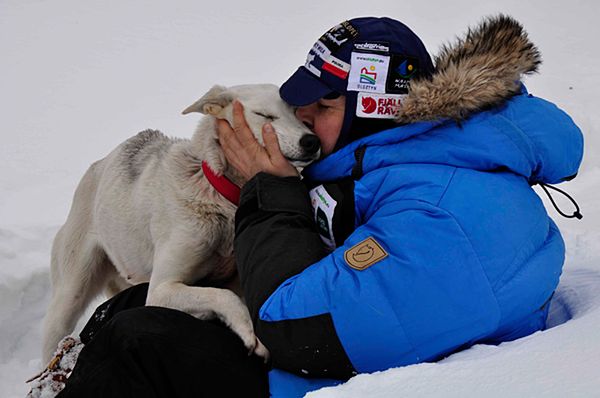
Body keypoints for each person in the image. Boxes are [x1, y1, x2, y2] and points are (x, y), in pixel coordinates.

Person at [53, 15, 583, 398]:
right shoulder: (394, 160)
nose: (301, 123)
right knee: (136, 303)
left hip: (345, 371)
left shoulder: (440, 206)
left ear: (377, 108)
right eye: (297, 107)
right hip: (349, 338)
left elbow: (298, 331)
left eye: (321, 107)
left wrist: (272, 189)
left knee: (139, 342)